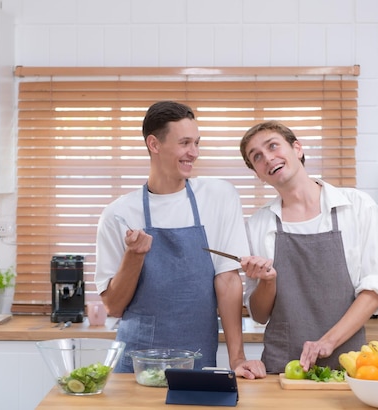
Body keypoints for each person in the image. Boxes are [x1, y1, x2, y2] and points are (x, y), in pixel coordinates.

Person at [95, 101, 266, 379]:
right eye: (185, 143)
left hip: (195, 356)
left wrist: (237, 358)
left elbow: (228, 279)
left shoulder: (220, 196)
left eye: (197, 143)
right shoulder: (119, 214)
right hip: (135, 364)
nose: (194, 153)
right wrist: (134, 256)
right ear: (154, 144)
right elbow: (113, 306)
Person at [238, 120, 378, 374]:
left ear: (297, 149)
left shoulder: (358, 207)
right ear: (258, 174)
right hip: (284, 367)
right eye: (257, 157)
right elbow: (259, 314)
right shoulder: (258, 225)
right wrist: (267, 281)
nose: (267, 158)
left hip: (352, 364)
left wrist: (326, 342)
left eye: (273, 146)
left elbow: (375, 291)